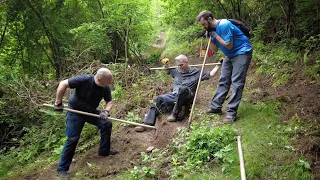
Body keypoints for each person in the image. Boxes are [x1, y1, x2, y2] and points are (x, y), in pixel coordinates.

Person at [53, 68, 118, 178]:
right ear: (99, 79)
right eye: (108, 81)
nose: (109, 84)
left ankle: (104, 152)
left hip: (90, 111)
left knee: (106, 124)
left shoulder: (105, 87)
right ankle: (62, 169)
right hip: (75, 112)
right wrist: (58, 102)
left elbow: (109, 101)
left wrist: (106, 112)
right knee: (73, 138)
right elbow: (63, 84)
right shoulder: (84, 80)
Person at [135, 54, 220, 132]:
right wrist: (166, 64)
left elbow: (211, 74)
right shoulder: (176, 71)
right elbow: (167, 69)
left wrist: (218, 65)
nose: (180, 67)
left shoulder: (196, 72)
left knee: (183, 89)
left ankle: (174, 114)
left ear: (186, 62)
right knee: (157, 99)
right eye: (178, 65)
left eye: (181, 65)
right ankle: (146, 123)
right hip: (174, 95)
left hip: (187, 96)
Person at [196, 10, 253, 124]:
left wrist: (215, 35)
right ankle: (215, 107)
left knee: (237, 82)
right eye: (202, 25)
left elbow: (229, 45)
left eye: (204, 24)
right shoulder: (211, 30)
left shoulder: (224, 25)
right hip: (230, 55)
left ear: (210, 19)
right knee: (223, 80)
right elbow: (214, 50)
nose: (203, 27)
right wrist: (209, 37)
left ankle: (231, 113)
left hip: (242, 51)